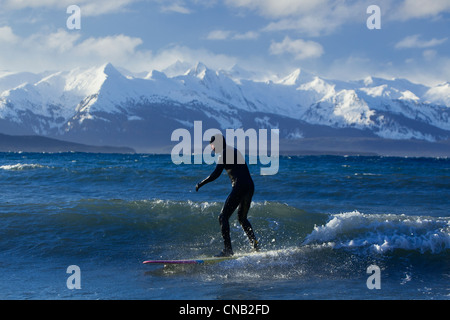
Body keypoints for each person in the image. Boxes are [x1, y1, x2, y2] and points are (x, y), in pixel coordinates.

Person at [196, 134, 259, 257]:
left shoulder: (224, 153)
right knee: (242, 219)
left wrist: (201, 183)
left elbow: (216, 174)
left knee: (222, 217)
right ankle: (255, 246)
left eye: (212, 146)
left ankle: (228, 250)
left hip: (240, 186)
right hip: (249, 186)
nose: (212, 149)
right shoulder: (233, 150)